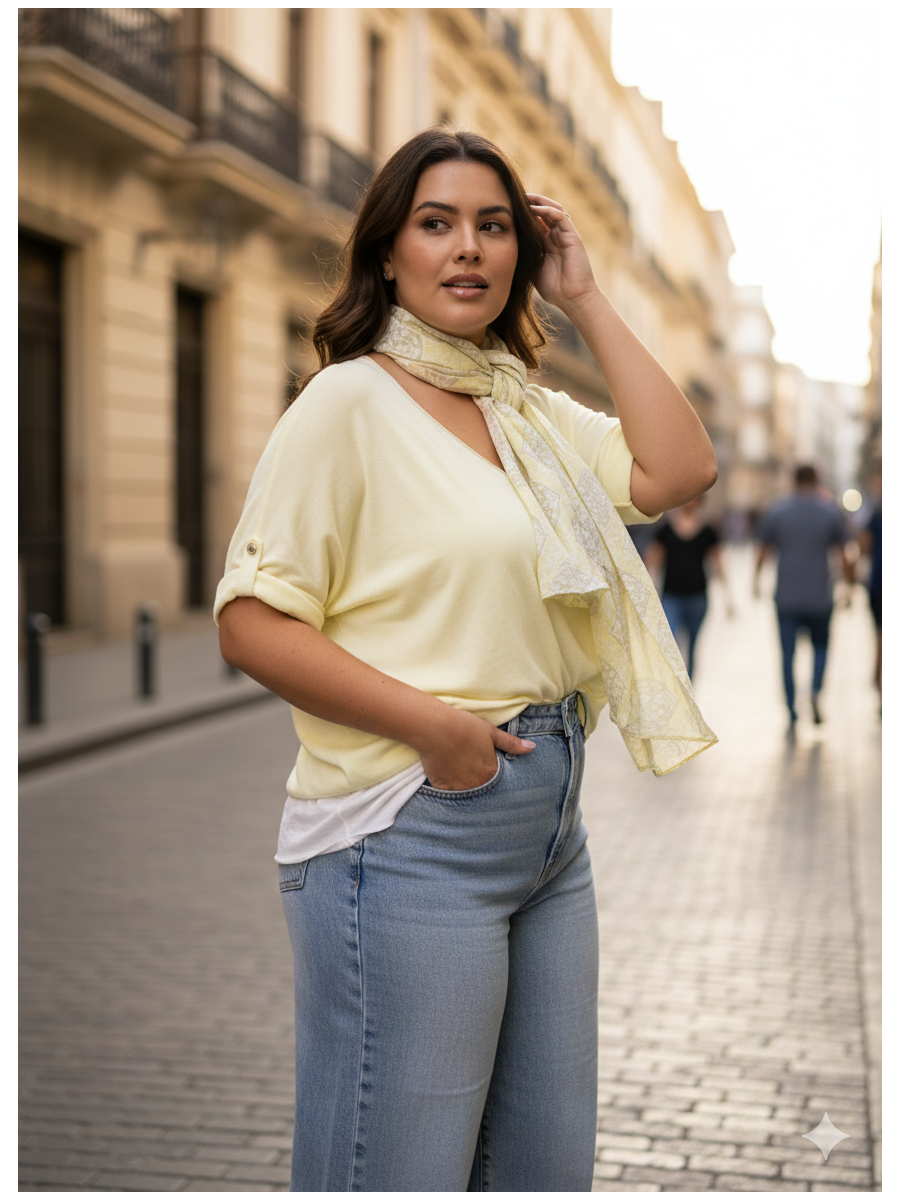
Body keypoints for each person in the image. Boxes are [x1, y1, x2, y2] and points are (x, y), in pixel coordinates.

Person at [215, 128, 717, 1192]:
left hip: (548, 836)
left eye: (494, 227)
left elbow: (678, 467)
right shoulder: (348, 403)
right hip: (406, 830)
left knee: (543, 1168)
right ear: (388, 250)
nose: (468, 249)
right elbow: (252, 623)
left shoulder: (524, 411)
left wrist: (586, 294)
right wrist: (436, 729)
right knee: (399, 1170)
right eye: (436, 224)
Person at [754, 464, 854, 728]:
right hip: (820, 596)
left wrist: (755, 579)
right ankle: (815, 691)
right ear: (817, 480)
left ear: (793, 481)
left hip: (786, 596)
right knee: (821, 648)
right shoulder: (830, 512)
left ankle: (791, 710)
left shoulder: (777, 511)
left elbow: (763, 549)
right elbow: (844, 553)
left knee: (787, 655)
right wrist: (850, 587)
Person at [644, 497, 732, 679]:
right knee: (672, 643)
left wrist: (727, 596)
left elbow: (717, 562)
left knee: (692, 646)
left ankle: (689, 687)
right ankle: (675, 684)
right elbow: (653, 560)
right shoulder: (665, 530)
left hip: (698, 597)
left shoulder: (708, 531)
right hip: (671, 596)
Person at [857, 466, 882, 706]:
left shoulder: (878, 513)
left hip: (880, 584)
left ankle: (881, 683)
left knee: (882, 636)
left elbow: (864, 545)